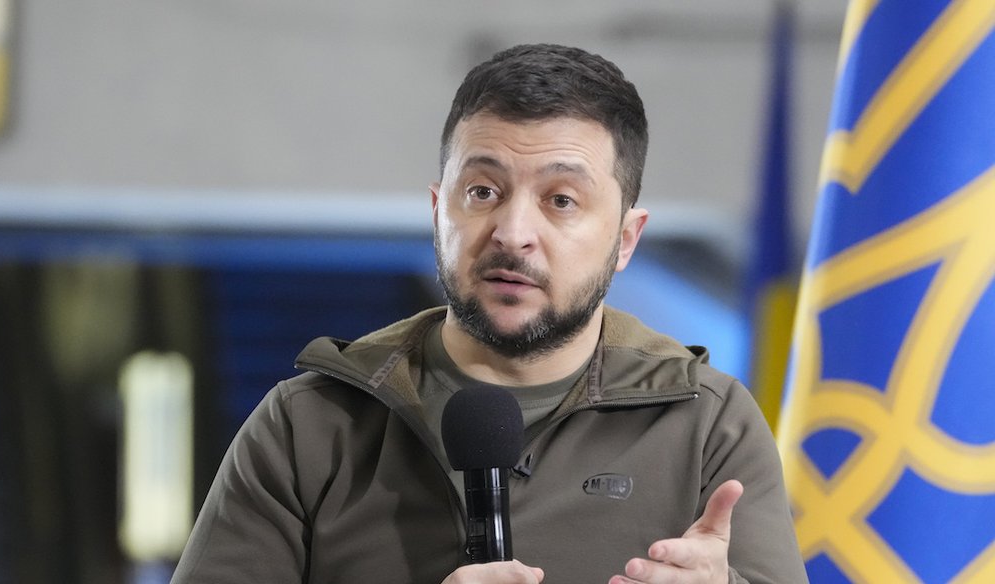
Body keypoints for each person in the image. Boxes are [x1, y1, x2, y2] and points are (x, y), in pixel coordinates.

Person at [171, 43, 808, 584]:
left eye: (561, 199)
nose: (512, 231)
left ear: (625, 239)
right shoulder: (309, 425)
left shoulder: (708, 425)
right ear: (438, 210)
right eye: (482, 191)